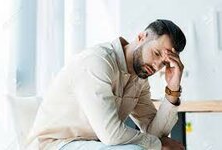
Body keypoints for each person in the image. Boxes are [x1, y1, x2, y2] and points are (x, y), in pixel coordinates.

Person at [26, 19, 186, 150]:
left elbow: (154, 132)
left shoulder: (139, 79)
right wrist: (157, 145)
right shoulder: (97, 62)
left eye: (164, 63)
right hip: (54, 144)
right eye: (156, 53)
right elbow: (111, 134)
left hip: (91, 144)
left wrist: (173, 89)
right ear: (141, 37)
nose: (157, 66)